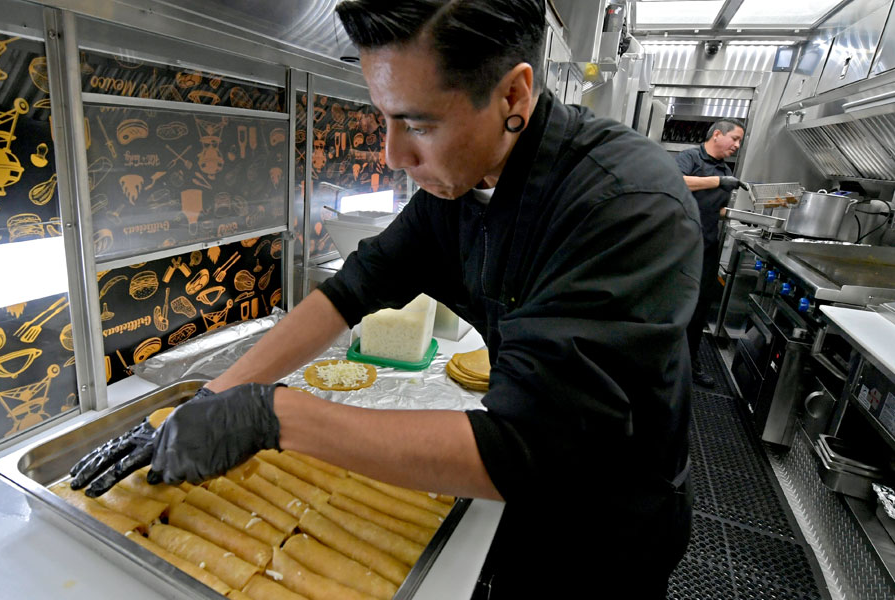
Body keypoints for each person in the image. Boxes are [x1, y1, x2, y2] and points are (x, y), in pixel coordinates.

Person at [71, 1, 702, 596]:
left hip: (605, 524)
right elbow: (356, 287)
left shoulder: (625, 207)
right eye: (384, 116)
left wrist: (272, 417)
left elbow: (524, 448)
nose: (393, 154)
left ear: (512, 94)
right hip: (518, 501)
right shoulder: (467, 181)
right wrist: (219, 399)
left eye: (419, 123)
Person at [676, 119, 748, 388]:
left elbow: (715, 209)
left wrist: (741, 217)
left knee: (698, 308)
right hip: (679, 244)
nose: (737, 145)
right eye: (735, 139)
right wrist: (718, 181)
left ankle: (690, 363)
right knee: (672, 303)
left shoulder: (724, 169)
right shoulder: (690, 158)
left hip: (707, 246)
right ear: (717, 134)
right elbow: (678, 182)